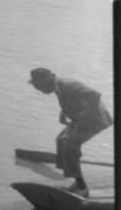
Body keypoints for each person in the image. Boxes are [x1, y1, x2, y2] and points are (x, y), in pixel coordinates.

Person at [28, 68, 113, 197]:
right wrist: (64, 112)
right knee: (61, 140)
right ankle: (75, 179)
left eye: (39, 86)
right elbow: (71, 99)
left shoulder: (67, 85)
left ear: (47, 79)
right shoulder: (58, 86)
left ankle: (82, 188)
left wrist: (85, 116)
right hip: (80, 119)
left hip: (95, 119)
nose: (39, 90)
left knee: (70, 145)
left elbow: (95, 95)